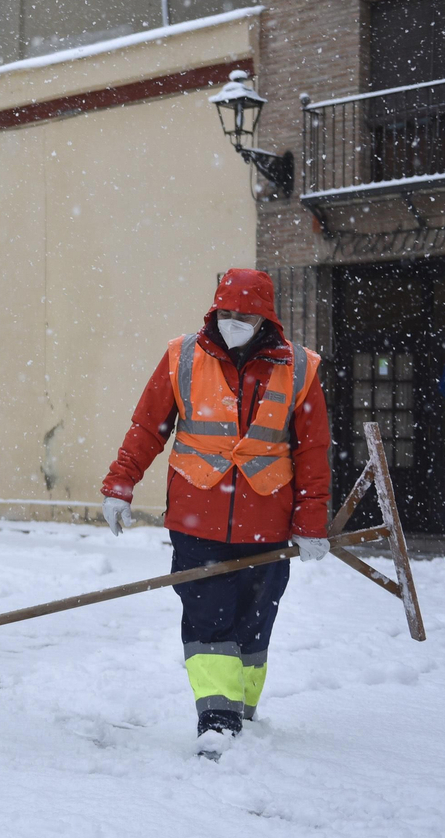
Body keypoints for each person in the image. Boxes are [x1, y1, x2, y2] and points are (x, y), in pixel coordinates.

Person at [99, 268, 332, 758]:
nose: (233, 322)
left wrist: (311, 522)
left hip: (268, 522)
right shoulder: (183, 357)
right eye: (225, 313)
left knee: (255, 622)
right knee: (208, 617)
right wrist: (121, 484)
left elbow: (313, 452)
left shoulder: (300, 368)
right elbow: (148, 427)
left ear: (265, 316)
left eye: (243, 315)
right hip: (197, 519)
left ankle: (242, 709)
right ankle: (217, 718)